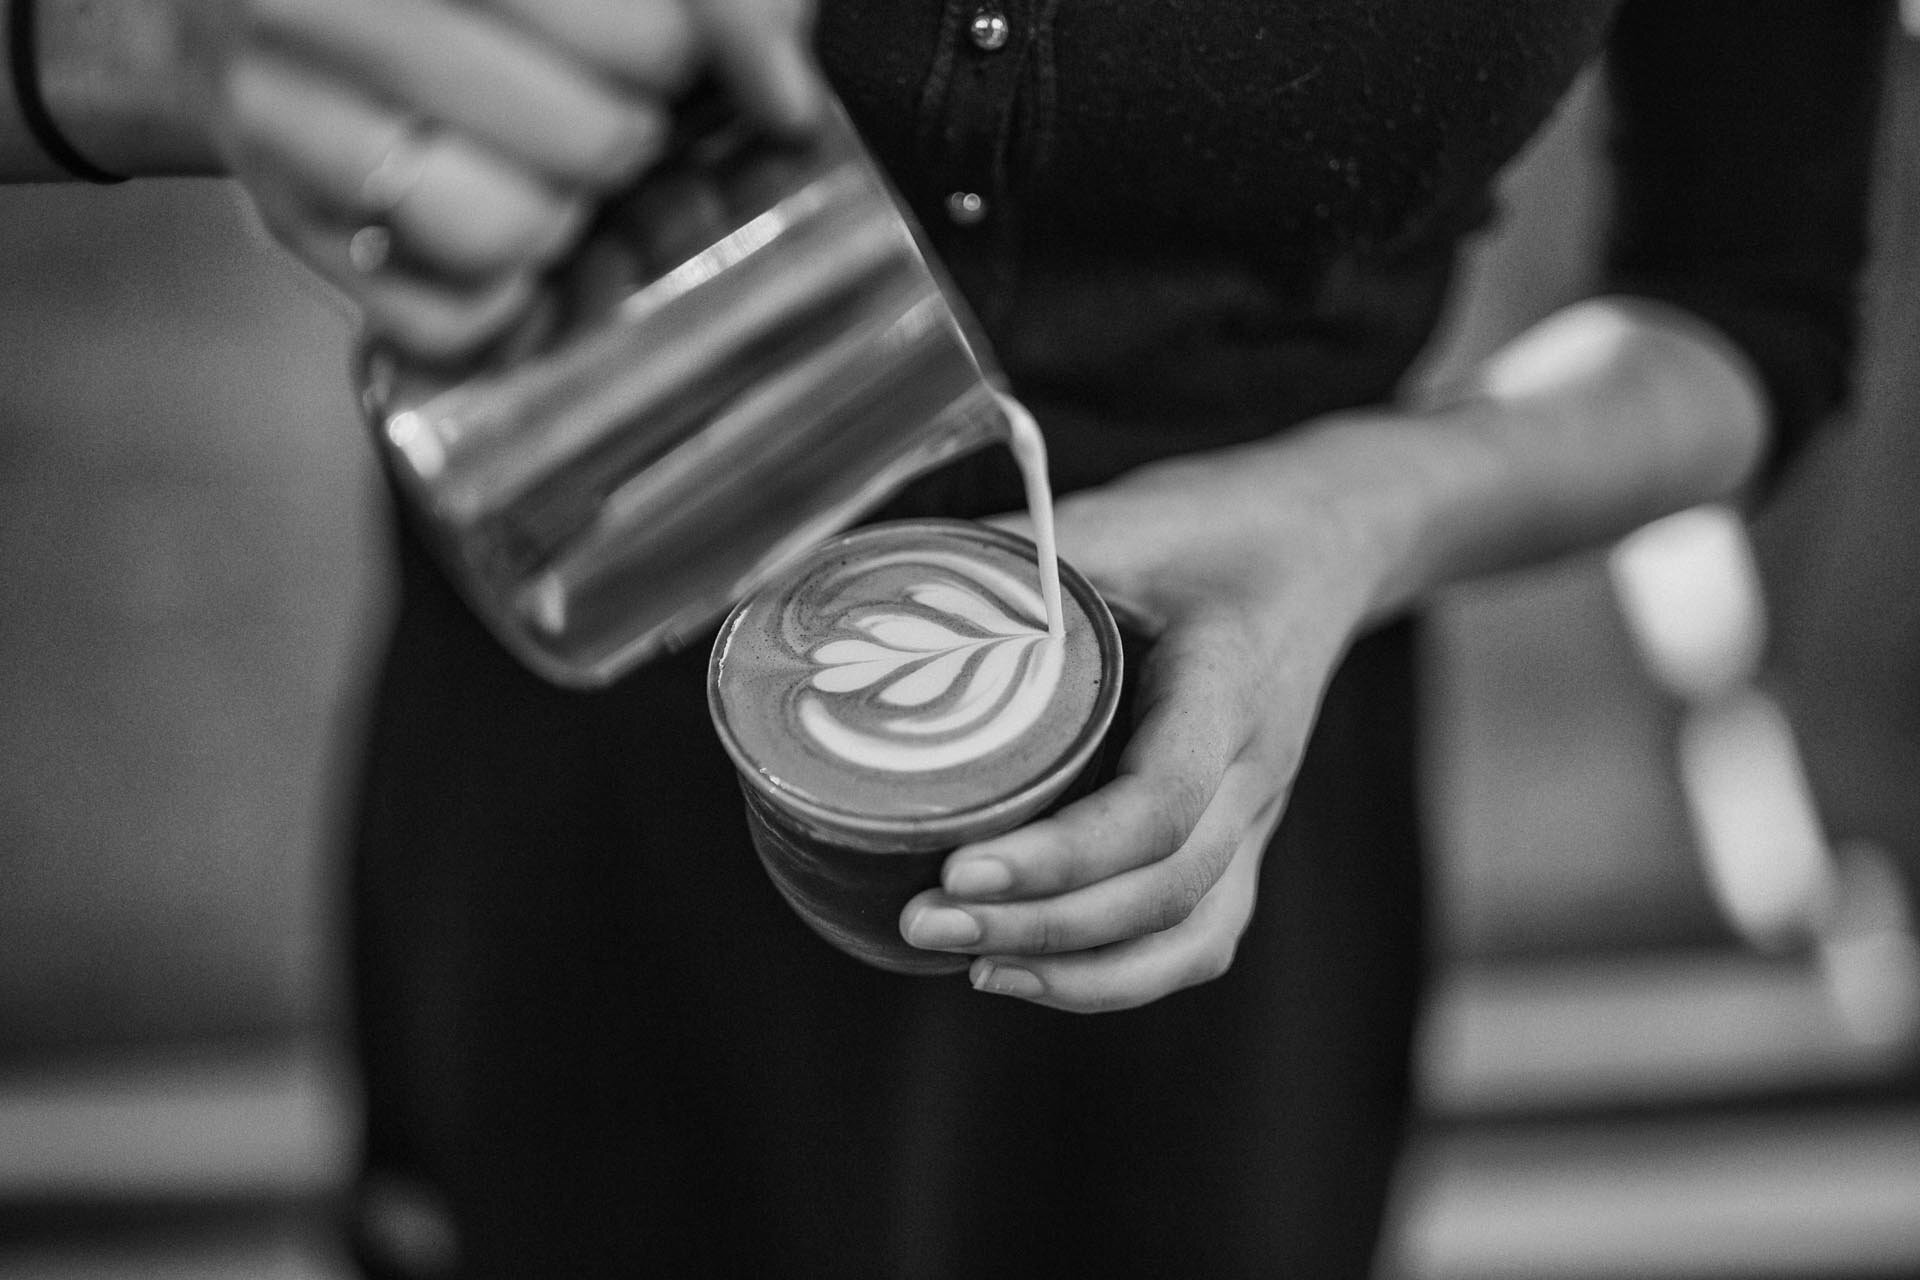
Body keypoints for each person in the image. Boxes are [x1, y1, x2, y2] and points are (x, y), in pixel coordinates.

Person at [4, 0, 1894, 1274]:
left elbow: (1751, 310)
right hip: (583, 678)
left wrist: (1355, 514)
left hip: (1224, 755)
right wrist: (155, 46)